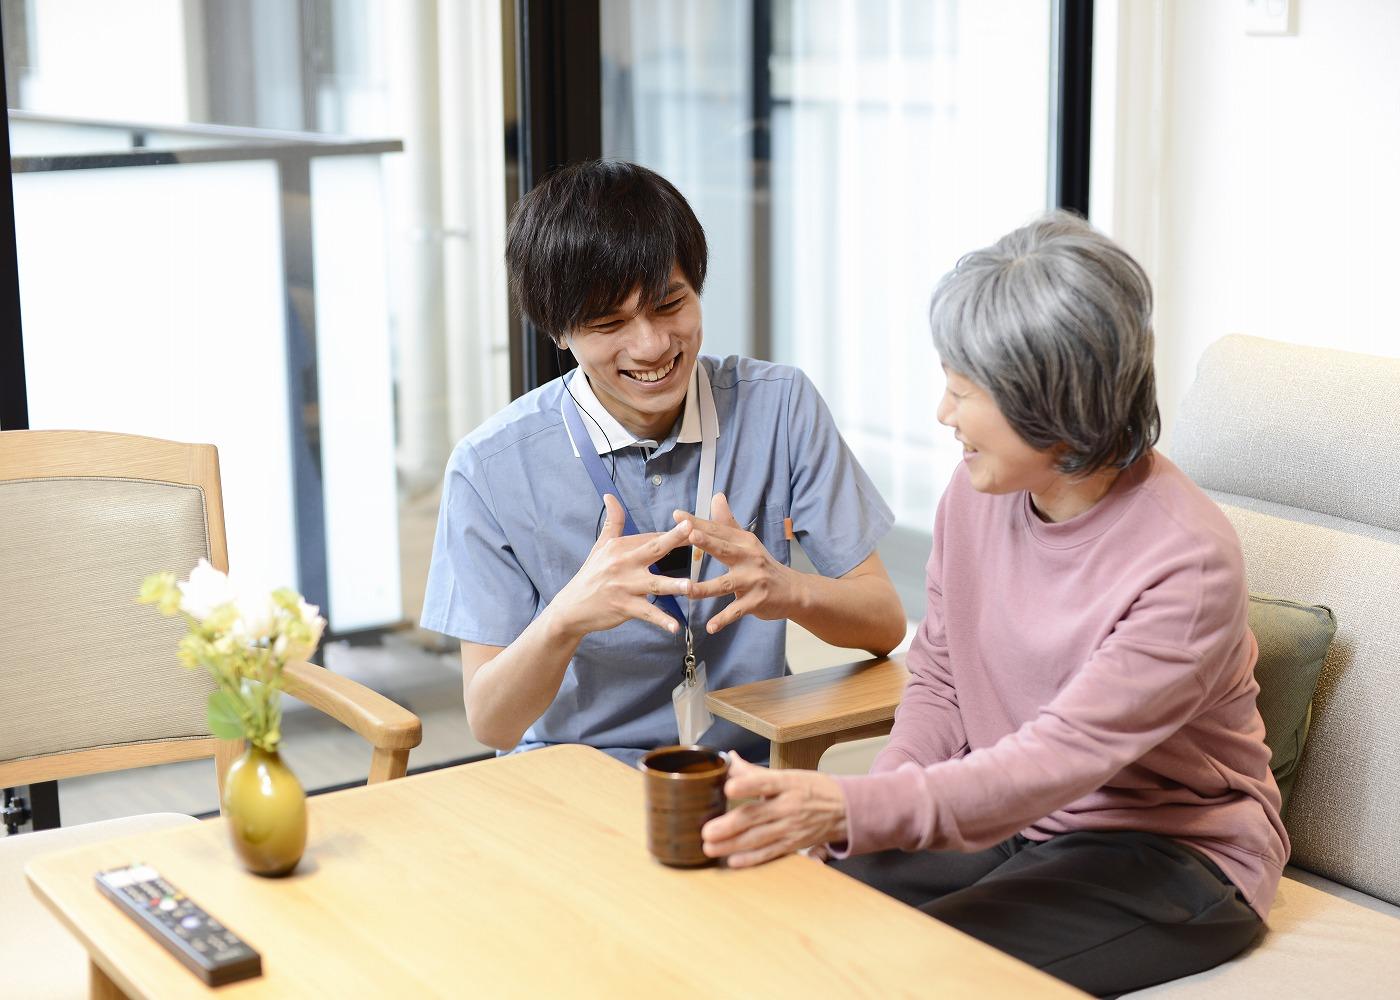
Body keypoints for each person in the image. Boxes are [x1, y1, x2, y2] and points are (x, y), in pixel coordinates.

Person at [700, 212, 1290, 997]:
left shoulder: (1186, 563)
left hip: (1168, 856)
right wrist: (875, 805)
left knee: (918, 973)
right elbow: (940, 674)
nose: (944, 416)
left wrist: (849, 806)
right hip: (1017, 819)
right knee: (788, 906)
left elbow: (1054, 764)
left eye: (961, 391)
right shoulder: (979, 489)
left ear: (1052, 406)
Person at [421, 160, 905, 765]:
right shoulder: (490, 469)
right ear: (560, 333)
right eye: (608, 323)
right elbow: (492, 723)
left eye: (670, 304)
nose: (651, 345)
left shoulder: (779, 407)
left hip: (741, 773)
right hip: (575, 779)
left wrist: (788, 590)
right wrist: (565, 619)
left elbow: (884, 624)